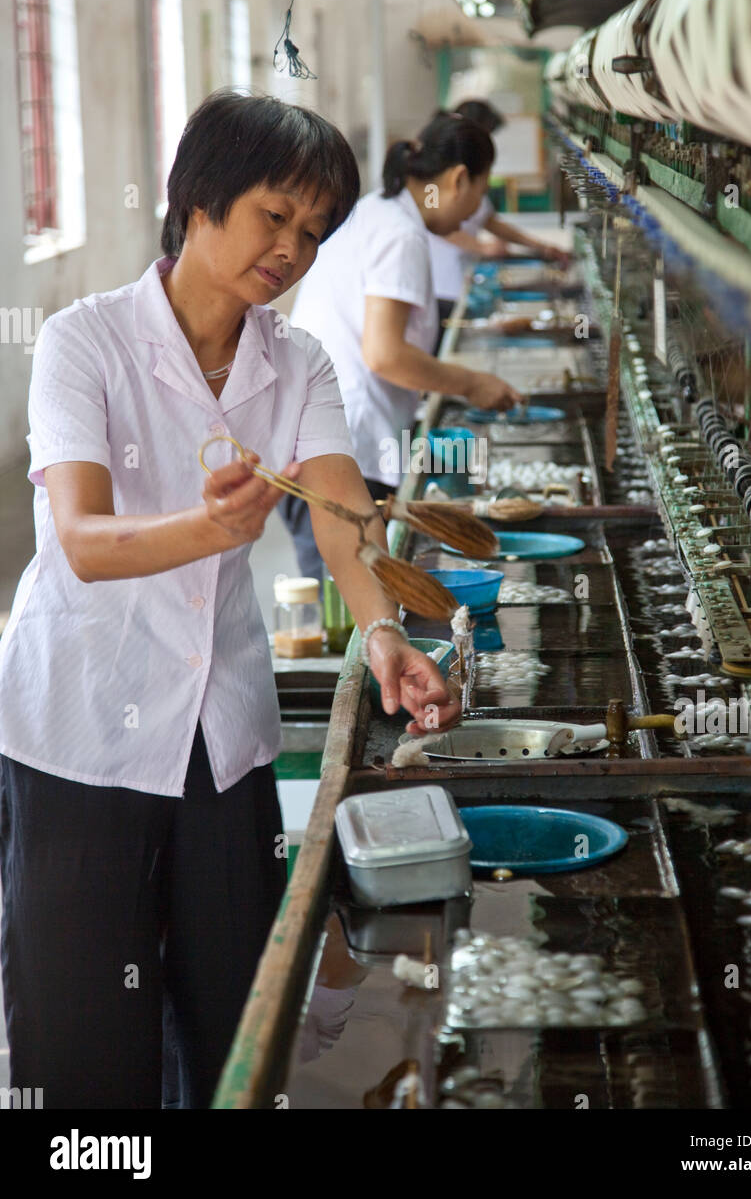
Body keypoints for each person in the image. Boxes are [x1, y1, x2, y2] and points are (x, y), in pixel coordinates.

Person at [0, 89, 461, 1110]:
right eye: (273, 216)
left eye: (312, 231)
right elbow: (79, 539)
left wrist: (382, 629)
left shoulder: (294, 362)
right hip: (85, 730)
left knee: (236, 1021)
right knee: (82, 1041)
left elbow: (342, 511)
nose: (291, 251)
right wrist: (204, 531)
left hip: (221, 743)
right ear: (196, 201)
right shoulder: (85, 343)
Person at [282, 110, 521, 581]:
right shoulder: (401, 234)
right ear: (458, 179)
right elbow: (385, 353)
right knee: (357, 604)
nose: (475, 212)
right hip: (342, 447)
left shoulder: (377, 210)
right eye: (479, 192)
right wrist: (472, 384)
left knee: (348, 601)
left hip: (319, 435)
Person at [428, 99, 571, 338]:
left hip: (460, 283)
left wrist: (542, 247)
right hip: (441, 288)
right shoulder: (434, 180)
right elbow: (434, 225)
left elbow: (491, 221)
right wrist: (481, 246)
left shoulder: (467, 173)